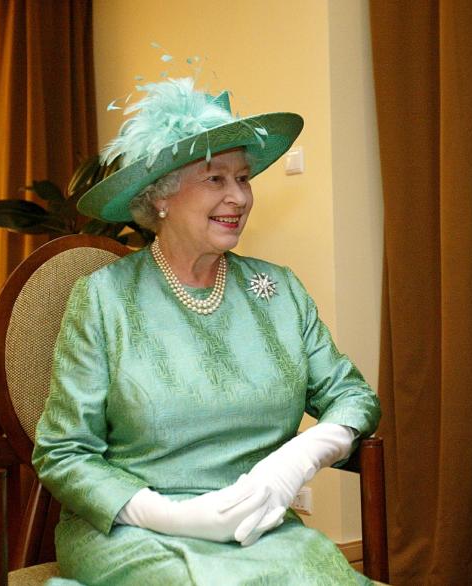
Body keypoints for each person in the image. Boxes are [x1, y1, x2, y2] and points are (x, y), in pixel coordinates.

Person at [32, 77, 381, 585]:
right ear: (160, 198)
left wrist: (299, 459)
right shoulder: (104, 299)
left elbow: (352, 395)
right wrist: (169, 515)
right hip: (132, 533)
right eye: (216, 180)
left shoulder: (278, 291)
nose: (239, 196)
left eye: (244, 178)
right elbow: (63, 453)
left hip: (256, 529)